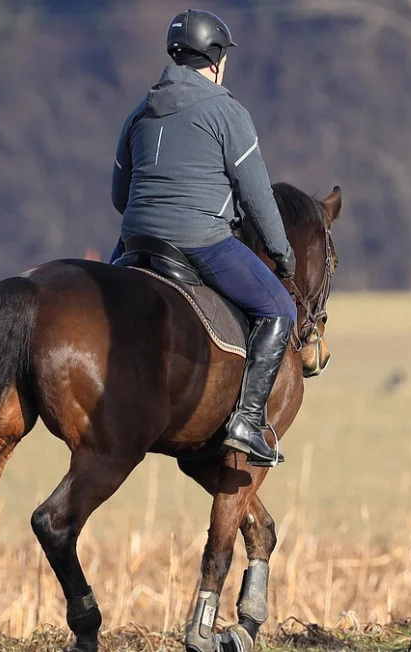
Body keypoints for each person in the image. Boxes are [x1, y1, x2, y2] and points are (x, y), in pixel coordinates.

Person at [108, 9, 296, 467]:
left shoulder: (139, 112)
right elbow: (256, 197)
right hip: (201, 241)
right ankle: (247, 422)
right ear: (215, 58)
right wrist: (282, 252)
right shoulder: (227, 111)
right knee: (280, 309)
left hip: (133, 245)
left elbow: (119, 195)